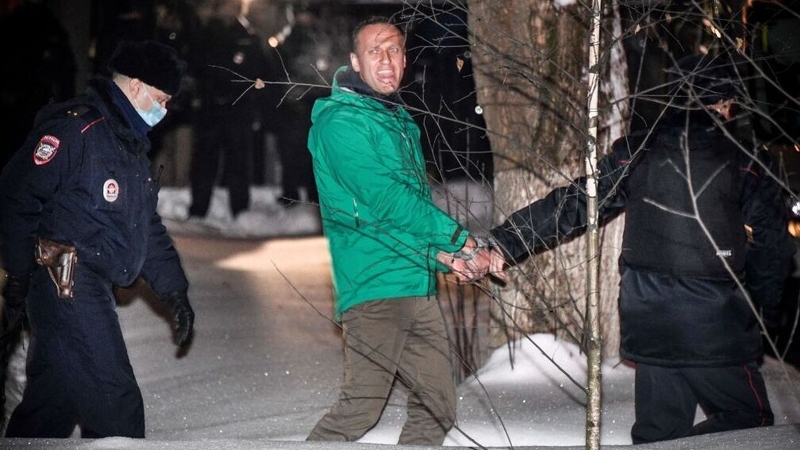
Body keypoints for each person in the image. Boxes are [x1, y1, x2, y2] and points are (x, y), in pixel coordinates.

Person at [479, 54, 793, 443]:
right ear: (725, 103)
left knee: (660, 434)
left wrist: (506, 242)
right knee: (751, 424)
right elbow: (774, 244)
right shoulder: (742, 156)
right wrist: (761, 309)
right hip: (715, 323)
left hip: (648, 318)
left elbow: (575, 204)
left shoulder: (637, 150)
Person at [304, 17, 498, 445]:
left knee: (437, 406)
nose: (387, 59)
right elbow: (389, 201)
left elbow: (395, 221)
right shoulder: (342, 124)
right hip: (375, 289)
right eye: (375, 51)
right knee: (359, 410)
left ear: (406, 59)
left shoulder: (397, 121)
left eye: (394, 50)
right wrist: (459, 239)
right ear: (355, 61)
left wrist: (442, 257)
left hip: (414, 283)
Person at [0, 40, 195, 438]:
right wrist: (18, 272)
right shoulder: (78, 129)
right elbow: (16, 193)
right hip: (65, 282)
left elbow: (146, 225)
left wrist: (174, 291)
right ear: (137, 86)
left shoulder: (128, 143)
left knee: (52, 405)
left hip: (89, 285)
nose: (165, 111)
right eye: (162, 99)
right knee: (115, 402)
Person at [187, 0, 269, 221]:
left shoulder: (247, 36)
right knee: (205, 162)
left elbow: (259, 72)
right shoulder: (204, 34)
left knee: (238, 162)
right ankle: (198, 210)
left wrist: (254, 104)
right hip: (210, 108)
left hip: (238, 109)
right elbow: (194, 66)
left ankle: (240, 211)